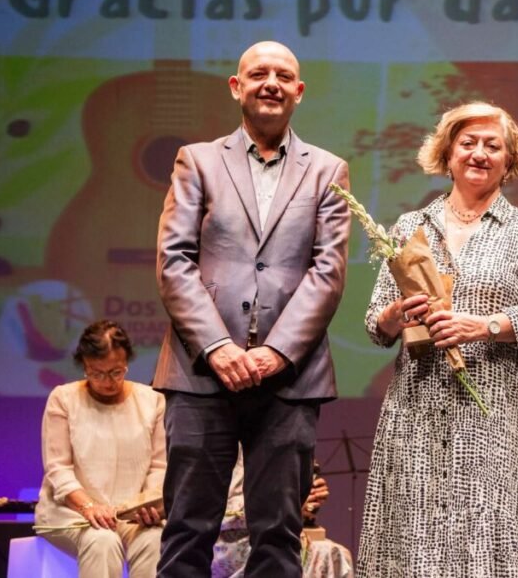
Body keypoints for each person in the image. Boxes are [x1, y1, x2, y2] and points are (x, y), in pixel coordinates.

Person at [154, 40, 351, 577]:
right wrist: (218, 346)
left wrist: (276, 352)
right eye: (258, 73)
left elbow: (327, 272)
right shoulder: (196, 160)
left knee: (278, 533)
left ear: (299, 92)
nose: (272, 83)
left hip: (288, 379)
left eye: (284, 76)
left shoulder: (327, 170)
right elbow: (174, 261)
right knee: (187, 528)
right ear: (236, 87)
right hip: (200, 374)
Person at [357, 101, 518, 577]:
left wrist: (482, 325)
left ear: (510, 161)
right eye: (468, 143)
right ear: (447, 154)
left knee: (488, 530)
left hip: (498, 408)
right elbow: (376, 326)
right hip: (419, 409)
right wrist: (395, 313)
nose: (479, 154)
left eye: (493, 146)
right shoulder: (411, 226)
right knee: (417, 529)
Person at [34, 320, 165, 578]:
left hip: (130, 515)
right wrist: (89, 507)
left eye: (116, 372)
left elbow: (160, 466)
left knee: (154, 539)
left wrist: (150, 504)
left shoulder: (152, 400)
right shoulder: (64, 399)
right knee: (102, 541)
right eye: (97, 373)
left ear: (127, 362)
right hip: (72, 514)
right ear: (84, 365)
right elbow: (58, 468)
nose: (107, 382)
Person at [212, 450, 354, 578]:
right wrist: (291, 504)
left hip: (279, 529)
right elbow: (221, 510)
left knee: (335, 554)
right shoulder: (224, 446)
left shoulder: (281, 435)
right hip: (232, 541)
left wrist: (308, 497)